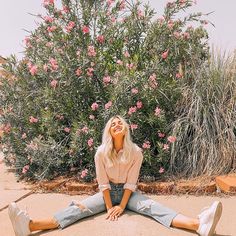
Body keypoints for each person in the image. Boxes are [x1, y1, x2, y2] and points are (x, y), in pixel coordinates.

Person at [8, 115, 222, 236]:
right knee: (79, 209)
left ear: (126, 129)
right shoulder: (100, 152)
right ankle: (29, 226)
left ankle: (198, 225)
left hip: (129, 193)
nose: (117, 124)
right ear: (109, 131)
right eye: (113, 123)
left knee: (154, 208)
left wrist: (123, 205)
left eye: (120, 122)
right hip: (107, 194)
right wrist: (110, 207)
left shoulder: (136, 151)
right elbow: (103, 183)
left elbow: (131, 182)